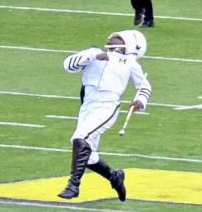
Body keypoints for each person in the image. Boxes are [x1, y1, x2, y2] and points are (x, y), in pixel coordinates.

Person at [58, 30, 150, 201]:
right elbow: (68, 65)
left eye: (120, 39)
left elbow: (144, 86)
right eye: (114, 38)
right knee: (89, 155)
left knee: (80, 137)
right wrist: (94, 57)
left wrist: (140, 101)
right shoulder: (92, 52)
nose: (114, 39)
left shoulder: (129, 62)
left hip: (108, 105)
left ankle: (73, 185)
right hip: (87, 106)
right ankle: (115, 176)